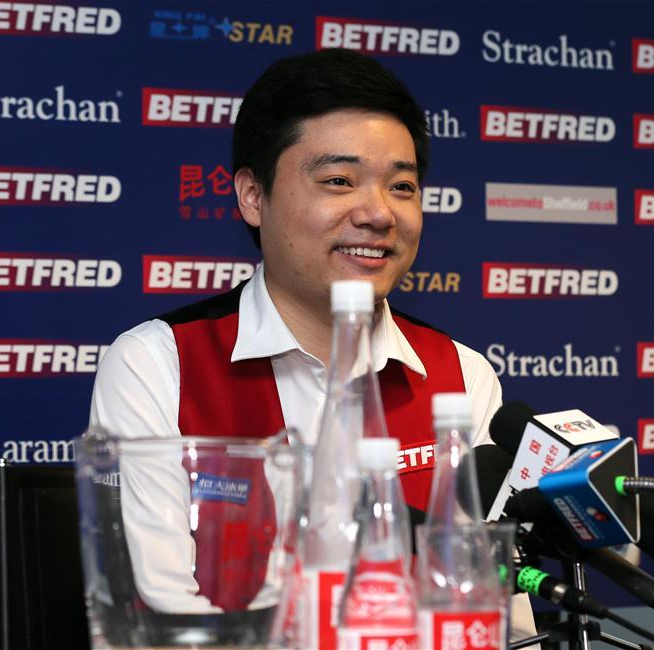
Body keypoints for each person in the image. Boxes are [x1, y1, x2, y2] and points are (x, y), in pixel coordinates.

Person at [89, 48, 534, 638]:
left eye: (402, 186)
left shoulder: (461, 375)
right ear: (253, 195)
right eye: (339, 181)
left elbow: (496, 612)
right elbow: (167, 615)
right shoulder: (158, 364)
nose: (378, 213)